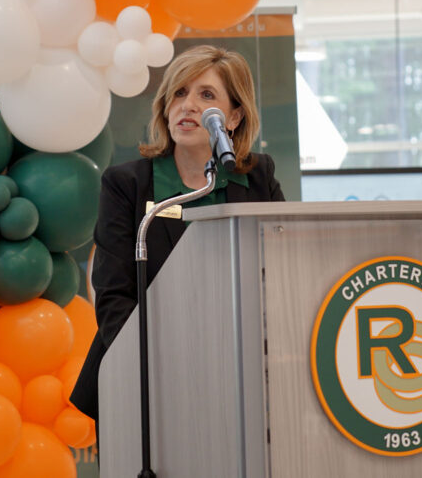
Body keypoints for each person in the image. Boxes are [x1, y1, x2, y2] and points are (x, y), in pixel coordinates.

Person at [71, 45, 285, 422]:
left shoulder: (257, 178)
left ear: (233, 116)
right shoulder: (127, 185)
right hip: (143, 376)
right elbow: (114, 296)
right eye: (179, 93)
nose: (187, 105)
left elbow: (281, 273)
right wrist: (165, 366)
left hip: (238, 374)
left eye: (206, 95)